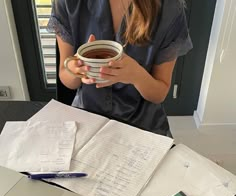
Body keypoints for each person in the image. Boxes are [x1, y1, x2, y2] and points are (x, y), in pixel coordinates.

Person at [47, 0, 192, 136]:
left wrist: (137, 76)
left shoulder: (169, 9)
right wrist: (77, 70)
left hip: (144, 126)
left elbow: (159, 93)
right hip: (87, 120)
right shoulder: (67, 3)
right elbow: (65, 75)